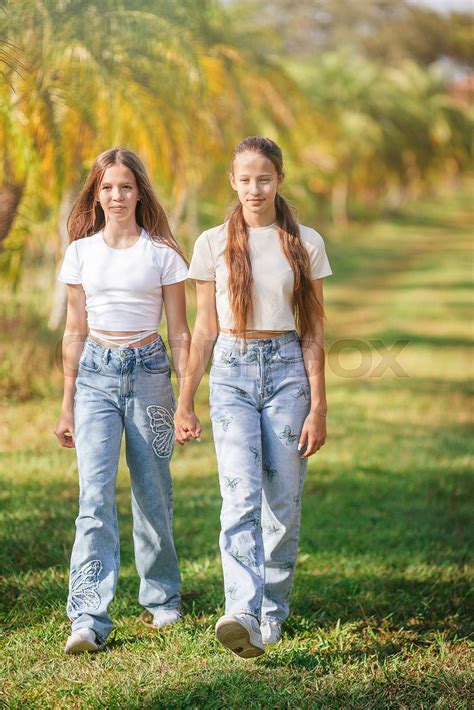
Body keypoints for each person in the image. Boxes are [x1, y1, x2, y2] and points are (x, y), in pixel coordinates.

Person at [174, 135, 332, 659]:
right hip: (231, 374)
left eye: (263, 178)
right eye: (244, 179)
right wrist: (185, 399)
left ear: (279, 179)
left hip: (288, 372)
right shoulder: (212, 242)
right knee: (239, 495)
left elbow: (312, 329)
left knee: (281, 503)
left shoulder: (304, 242)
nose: (254, 188)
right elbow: (203, 330)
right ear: (232, 181)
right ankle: (241, 610)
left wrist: (319, 404)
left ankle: (271, 614)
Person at [54, 147, 190, 654]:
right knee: (93, 500)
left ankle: (162, 597)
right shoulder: (81, 252)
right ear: (97, 192)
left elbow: (180, 332)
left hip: (152, 374)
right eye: (107, 187)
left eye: (126, 187)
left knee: (153, 491)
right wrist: (67, 403)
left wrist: (185, 399)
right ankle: (88, 616)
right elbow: (73, 330)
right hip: (95, 378)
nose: (117, 195)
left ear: (139, 192)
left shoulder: (162, 254)